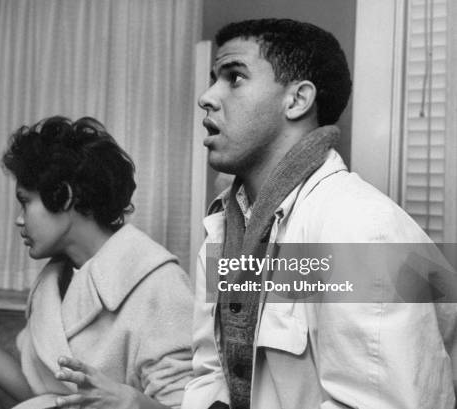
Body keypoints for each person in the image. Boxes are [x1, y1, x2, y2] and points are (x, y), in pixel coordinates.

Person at [182, 19, 457, 409]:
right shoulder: (222, 229)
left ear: (297, 100)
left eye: (234, 77)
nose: (207, 97)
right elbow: (211, 373)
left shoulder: (363, 231)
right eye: (214, 78)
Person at [0, 116, 194, 408]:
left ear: (65, 195)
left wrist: (134, 404)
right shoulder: (54, 281)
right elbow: (45, 397)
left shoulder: (157, 283)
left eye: (25, 202)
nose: (19, 220)